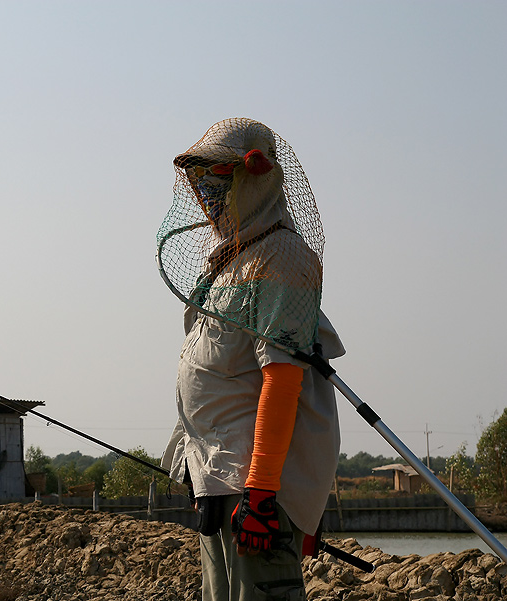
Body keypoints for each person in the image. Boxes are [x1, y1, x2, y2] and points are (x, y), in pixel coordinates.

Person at [159, 118, 345, 601]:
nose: (208, 197)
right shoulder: (228, 263)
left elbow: (282, 381)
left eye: (220, 183)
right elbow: (210, 379)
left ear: (257, 179)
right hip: (217, 485)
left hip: (254, 495)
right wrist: (190, 463)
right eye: (201, 186)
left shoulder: (281, 256)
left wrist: (262, 494)